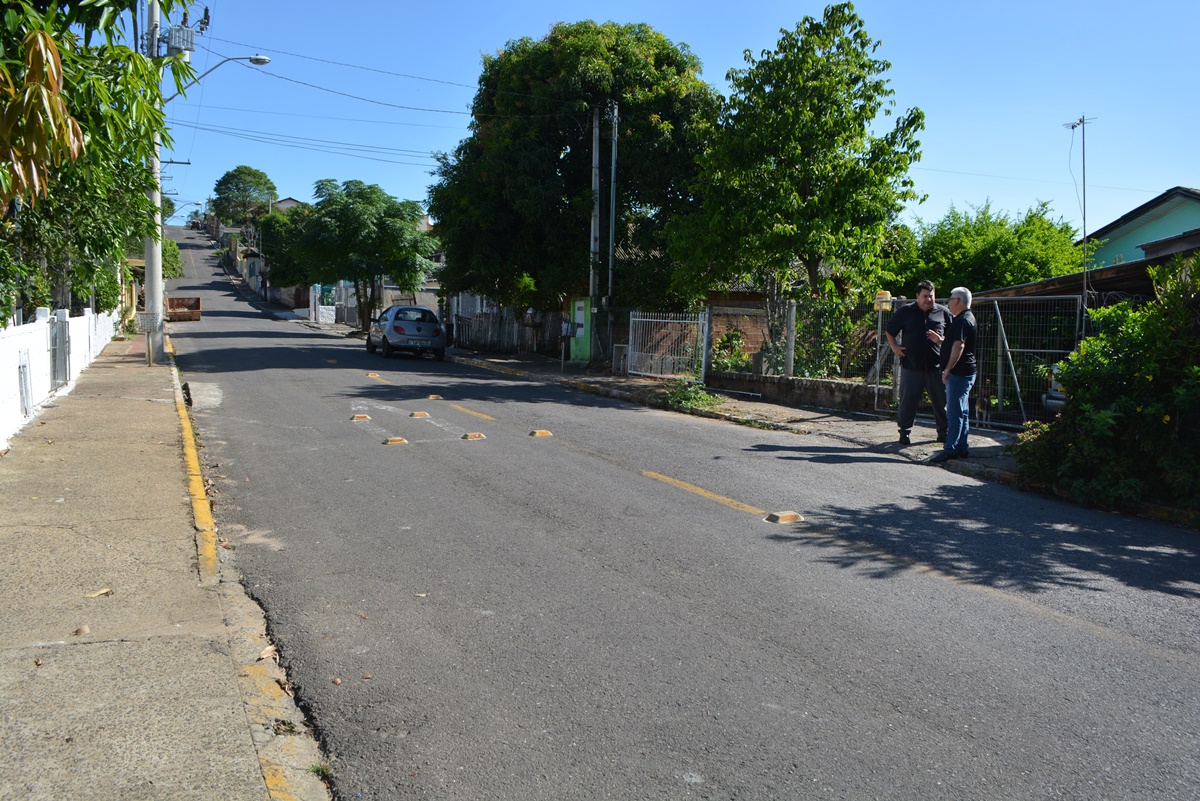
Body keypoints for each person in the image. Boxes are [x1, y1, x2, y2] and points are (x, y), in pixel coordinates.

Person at [884, 280, 952, 446]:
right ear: (917, 296)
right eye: (925, 296)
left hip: (936, 366)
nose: (928, 299)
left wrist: (941, 340)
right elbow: (889, 329)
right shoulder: (906, 311)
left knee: (941, 402)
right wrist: (894, 346)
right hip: (911, 366)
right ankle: (905, 432)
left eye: (931, 296)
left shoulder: (943, 312)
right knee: (908, 401)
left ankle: (943, 432)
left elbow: (952, 339)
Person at [928, 286, 977, 463]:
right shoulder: (964, 319)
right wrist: (940, 341)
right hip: (965, 372)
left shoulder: (963, 320)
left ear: (957, 300)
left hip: (959, 373)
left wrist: (947, 369)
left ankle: (950, 449)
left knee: (954, 413)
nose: (948, 302)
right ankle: (962, 447)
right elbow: (954, 343)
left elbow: (959, 345)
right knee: (962, 411)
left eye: (950, 298)